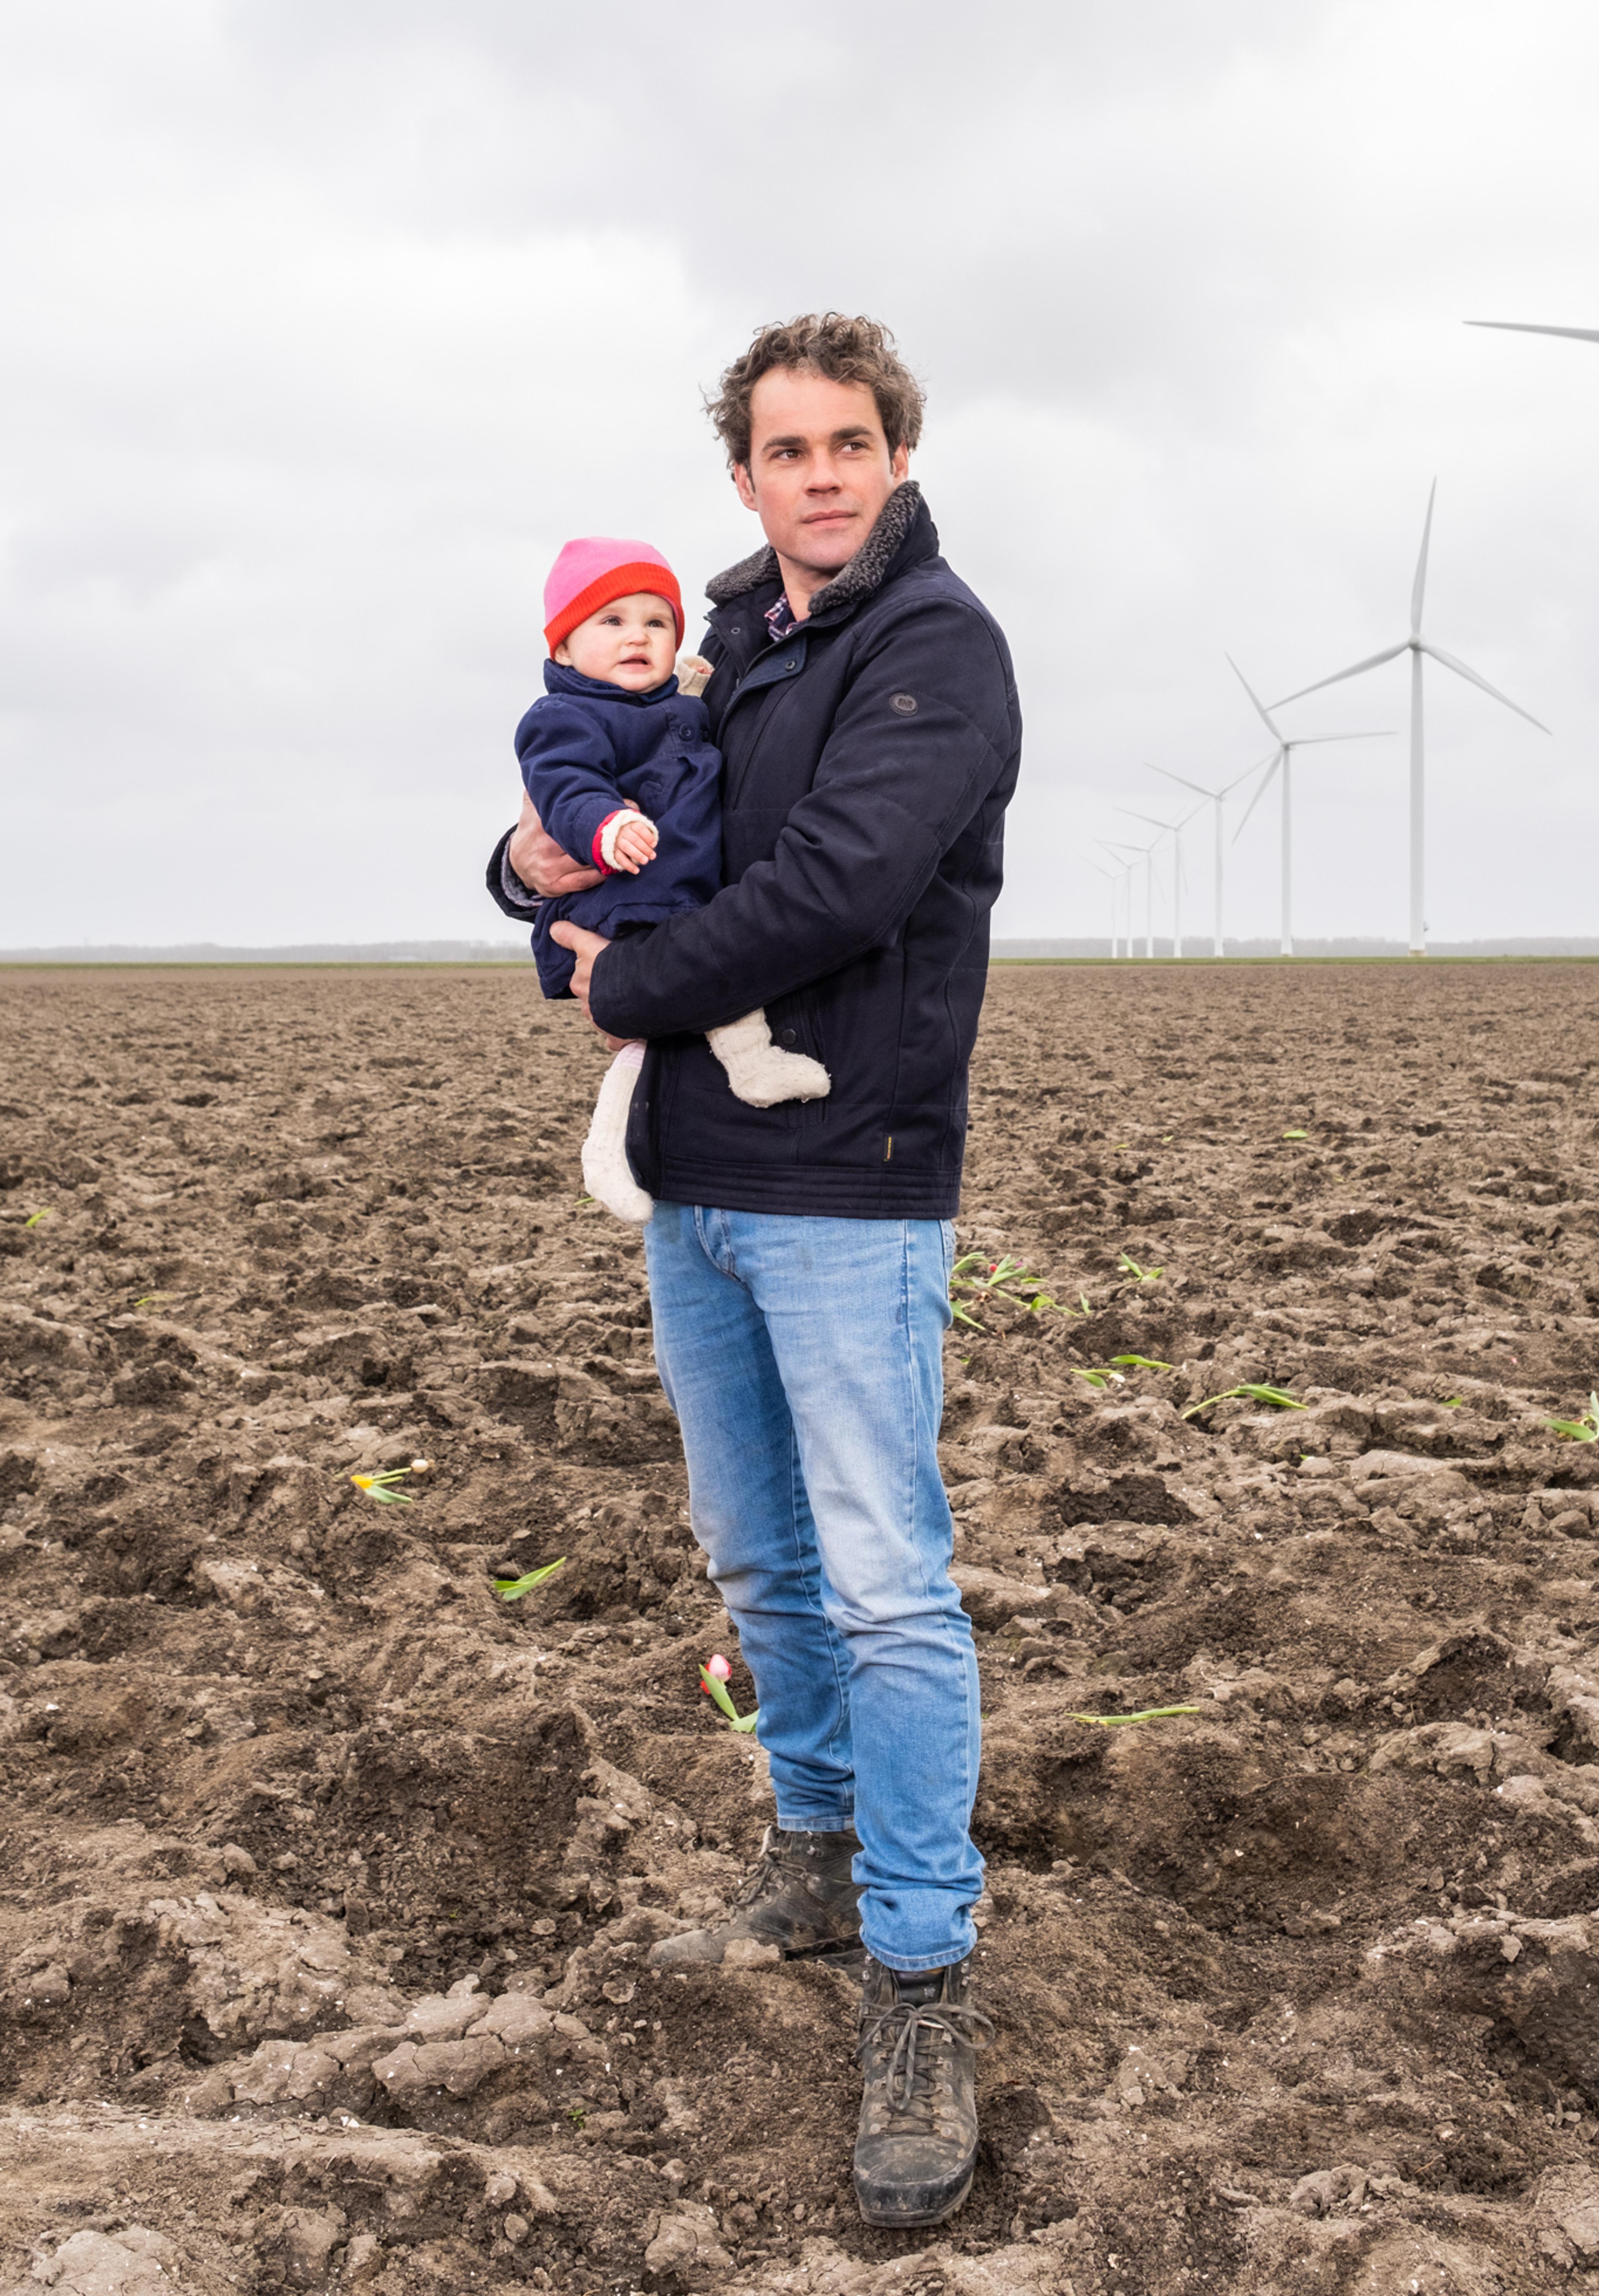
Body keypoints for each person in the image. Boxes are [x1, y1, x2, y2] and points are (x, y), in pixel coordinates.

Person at [486, 312, 1021, 2228]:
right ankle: (811, 1848)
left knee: (886, 1579)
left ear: (896, 454)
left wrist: (621, 980)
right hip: (696, 1174)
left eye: (848, 441)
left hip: (850, 1177)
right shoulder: (716, 645)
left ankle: (919, 1974)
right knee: (757, 1550)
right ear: (742, 474)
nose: (819, 473)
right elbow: (592, 801)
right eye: (785, 448)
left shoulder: (933, 647)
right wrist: (527, 867)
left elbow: (840, 885)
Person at [513, 537, 829, 1219]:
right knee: (649, 1034)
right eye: (612, 621)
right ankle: (607, 1151)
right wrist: (604, 827)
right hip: (622, 900)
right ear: (562, 649)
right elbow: (564, 786)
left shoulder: (679, 703)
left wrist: (688, 689)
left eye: (657, 623)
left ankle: (750, 1064)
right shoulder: (563, 717)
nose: (638, 636)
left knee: (699, 997)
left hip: (676, 899)